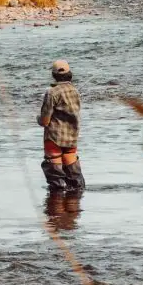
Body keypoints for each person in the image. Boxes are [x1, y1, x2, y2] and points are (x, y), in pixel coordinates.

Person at [38, 59, 85, 192]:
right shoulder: (75, 91)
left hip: (53, 138)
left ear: (54, 75)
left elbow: (45, 121)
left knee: (57, 184)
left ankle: (57, 207)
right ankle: (74, 204)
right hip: (71, 137)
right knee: (75, 181)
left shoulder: (51, 92)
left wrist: (38, 119)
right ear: (70, 74)